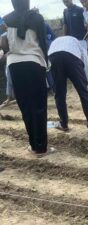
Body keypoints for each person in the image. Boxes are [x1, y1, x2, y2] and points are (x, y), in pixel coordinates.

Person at [3, 0, 50, 157]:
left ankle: (33, 145)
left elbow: (6, 43)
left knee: (25, 106)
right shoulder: (37, 18)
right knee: (39, 105)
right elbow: (43, 42)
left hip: (14, 65)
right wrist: (47, 62)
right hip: (34, 62)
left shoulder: (7, 18)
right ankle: (42, 148)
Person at [48, 36, 88, 135]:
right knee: (83, 91)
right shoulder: (80, 46)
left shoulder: (57, 42)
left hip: (53, 56)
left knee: (59, 94)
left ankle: (63, 124)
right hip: (71, 57)